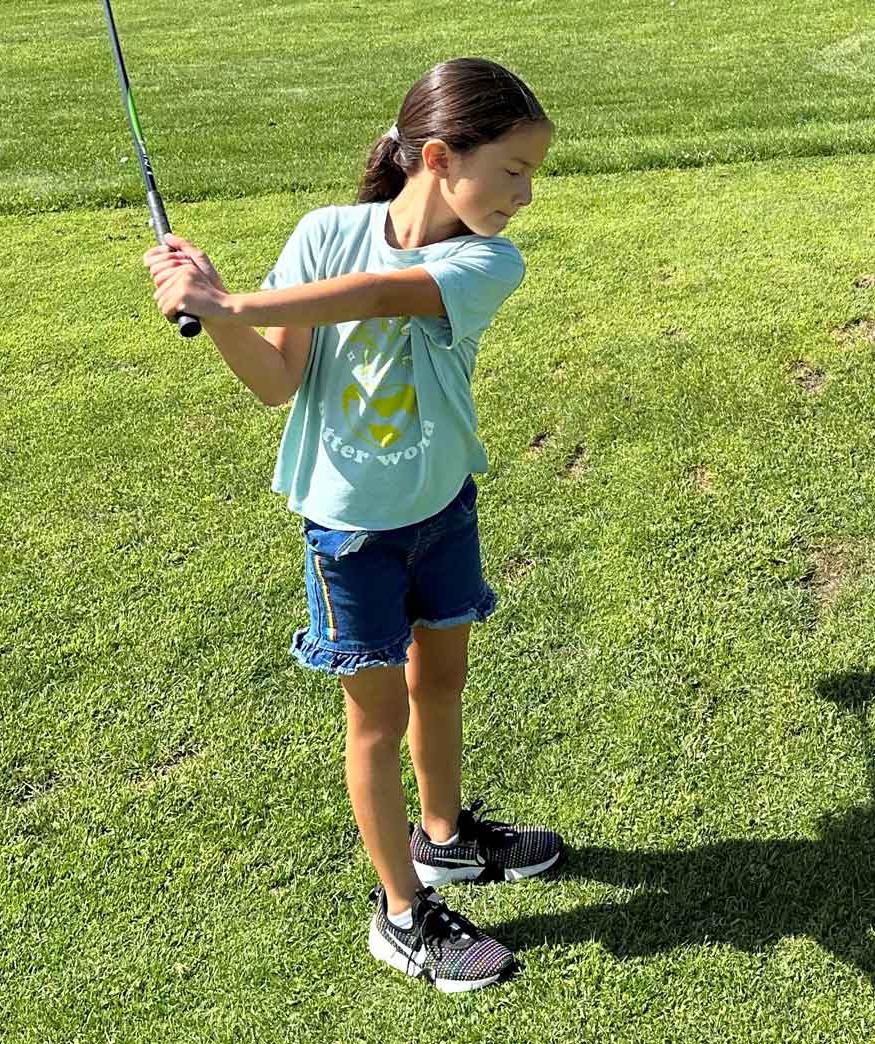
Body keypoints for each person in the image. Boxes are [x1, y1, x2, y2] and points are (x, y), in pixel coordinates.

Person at [142, 57, 559, 993]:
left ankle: (444, 838)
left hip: (442, 508)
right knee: (374, 718)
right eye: (515, 170)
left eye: (533, 174)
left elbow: (379, 296)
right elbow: (277, 382)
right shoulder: (323, 234)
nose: (526, 195)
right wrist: (213, 313)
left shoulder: (487, 258)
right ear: (442, 157)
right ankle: (403, 912)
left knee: (441, 681)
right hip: (350, 533)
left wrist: (230, 297)